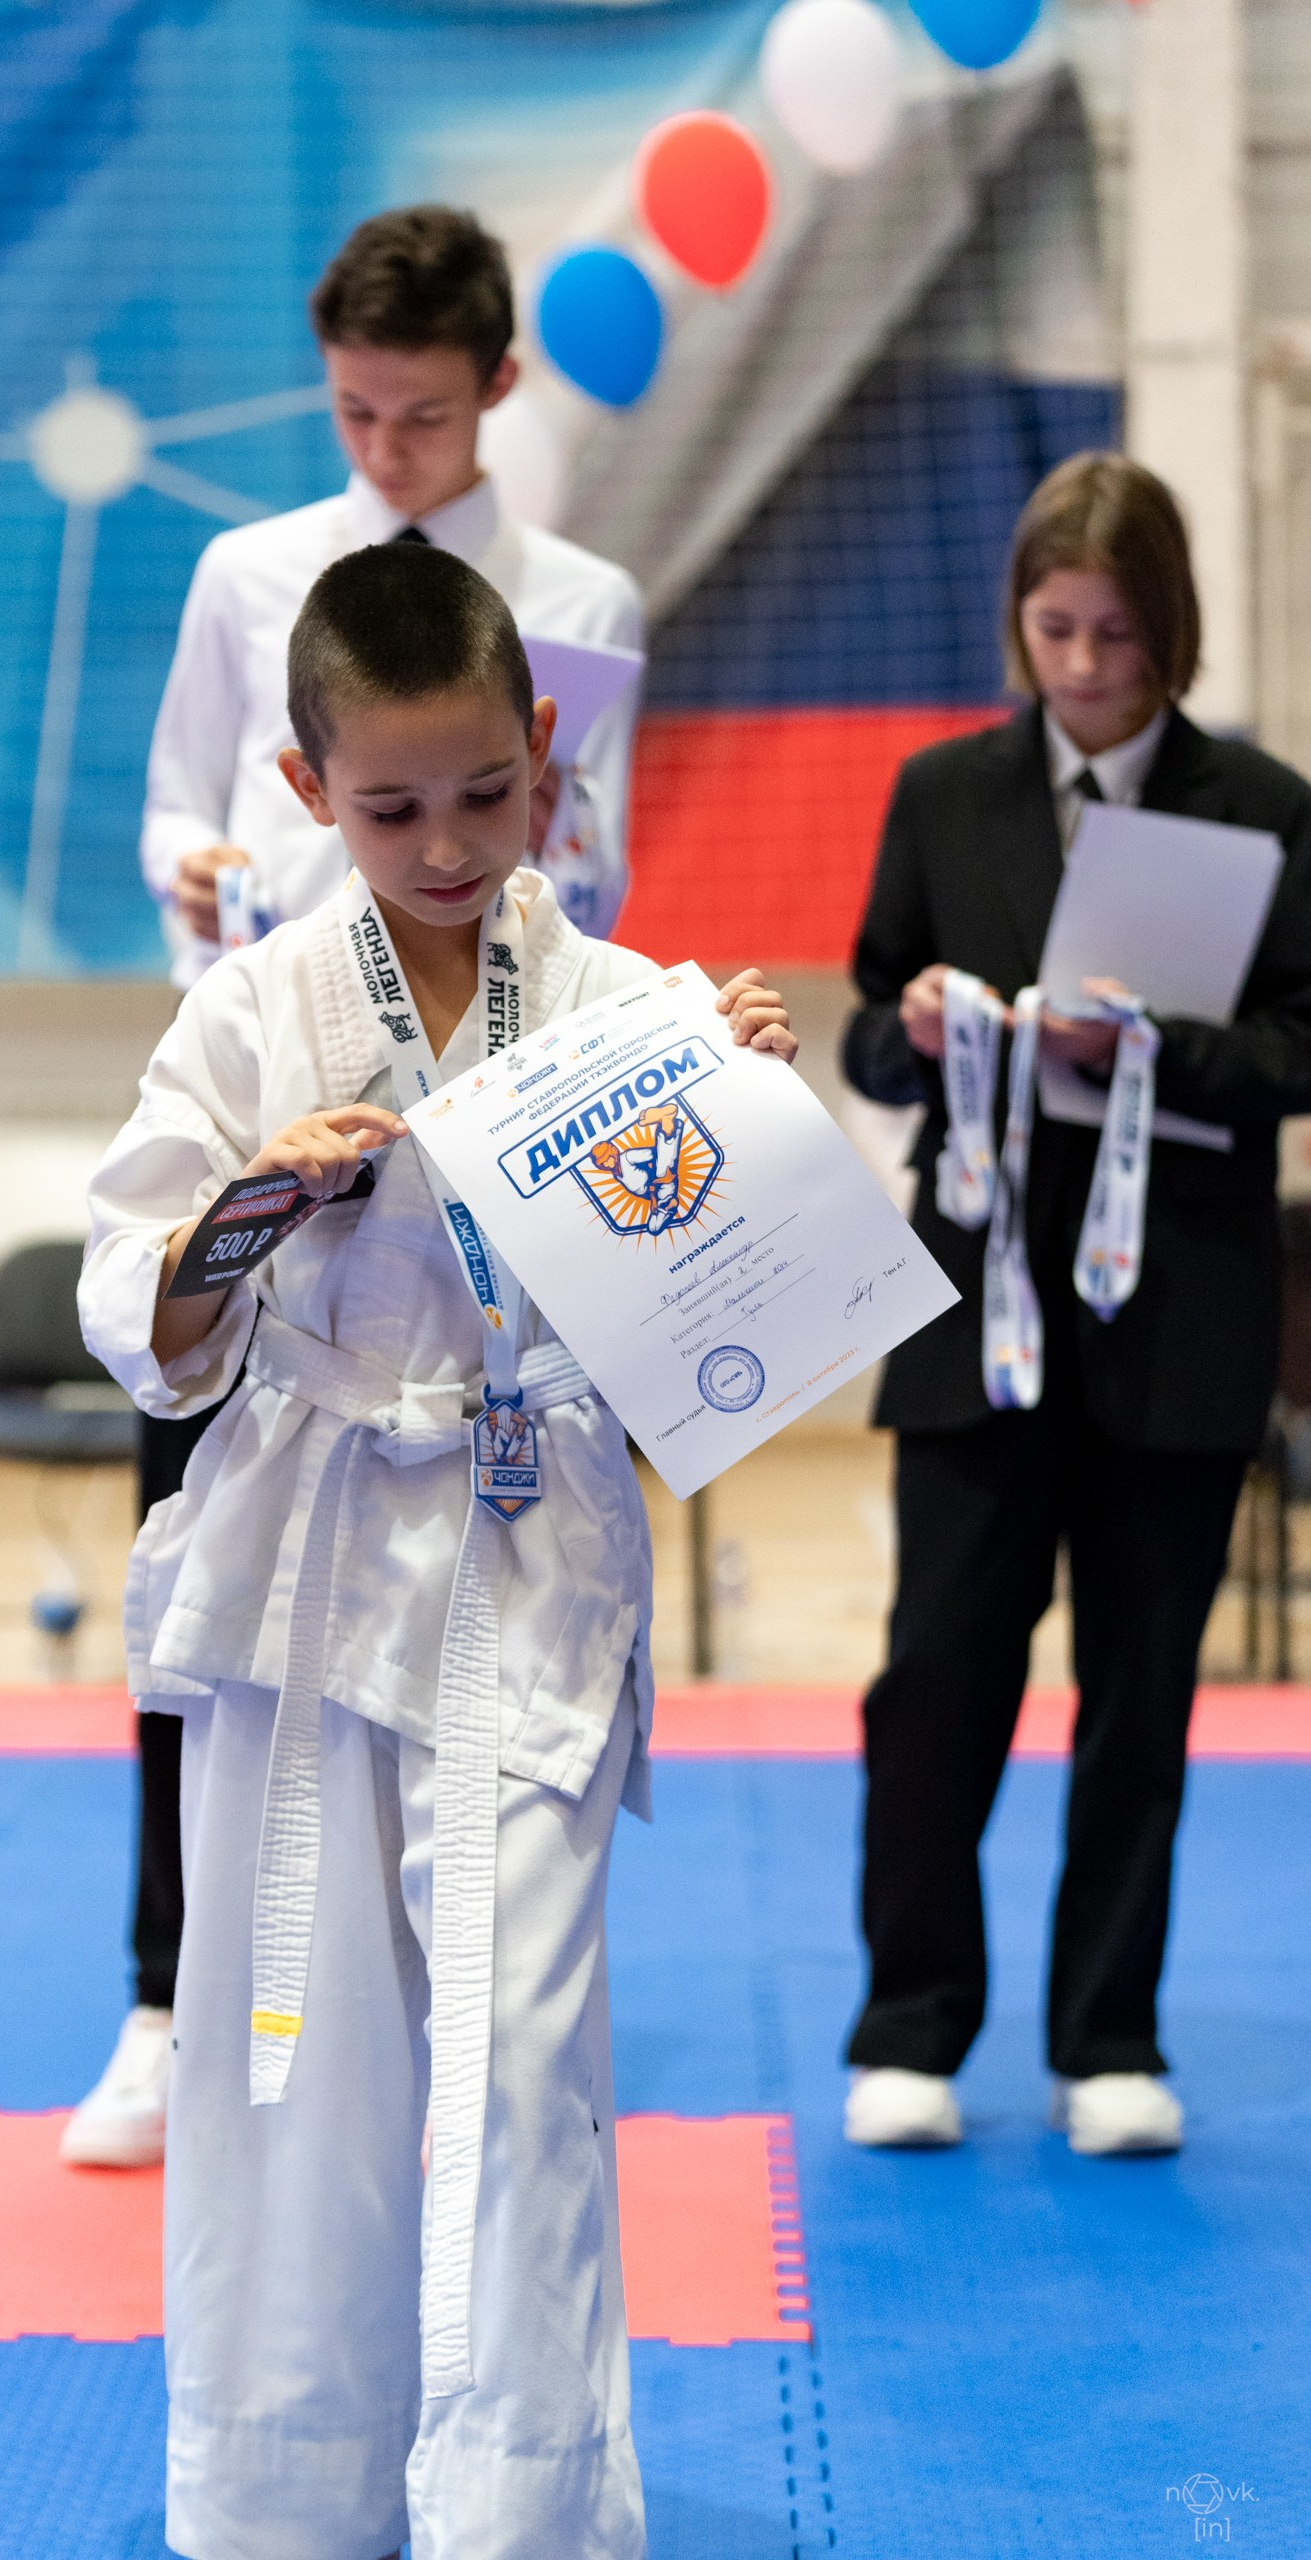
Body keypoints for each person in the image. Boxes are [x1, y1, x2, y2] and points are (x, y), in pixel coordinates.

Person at [78, 540, 795, 2557]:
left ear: (545, 747)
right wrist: (252, 1203)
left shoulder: (627, 1007)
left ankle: (520, 2508)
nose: (452, 844)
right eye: (391, 808)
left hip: (527, 1550)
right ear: (305, 789)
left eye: (488, 792)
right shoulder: (250, 1004)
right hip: (306, 1558)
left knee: (525, 2048)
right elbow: (130, 1295)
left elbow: (716, 1304)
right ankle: (288, 2492)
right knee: (289, 2051)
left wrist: (736, 1115)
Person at [61, 203, 645, 2167]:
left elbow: (595, 875)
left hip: (489, 1154)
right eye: (354, 414)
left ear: (496, 388)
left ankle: (470, 1996)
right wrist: (198, 879)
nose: (388, 451)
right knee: (216, 1600)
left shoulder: (576, 598)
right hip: (282, 1118)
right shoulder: (249, 574)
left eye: (424, 415)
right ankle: (167, 1994)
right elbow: (177, 799)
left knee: (495, 1629)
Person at [841, 452, 1311, 2158]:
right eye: (1057, 629)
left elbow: (1301, 1049)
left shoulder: (1261, 806)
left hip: (1178, 1312)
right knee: (936, 1677)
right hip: (975, 1302)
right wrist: (931, 1028)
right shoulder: (941, 791)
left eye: (1119, 632)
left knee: (1142, 1689)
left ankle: (1109, 2035)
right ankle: (909, 2025)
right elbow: (865, 1025)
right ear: (1019, 625)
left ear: (1171, 630)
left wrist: (1156, 1053)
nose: (1089, 664)